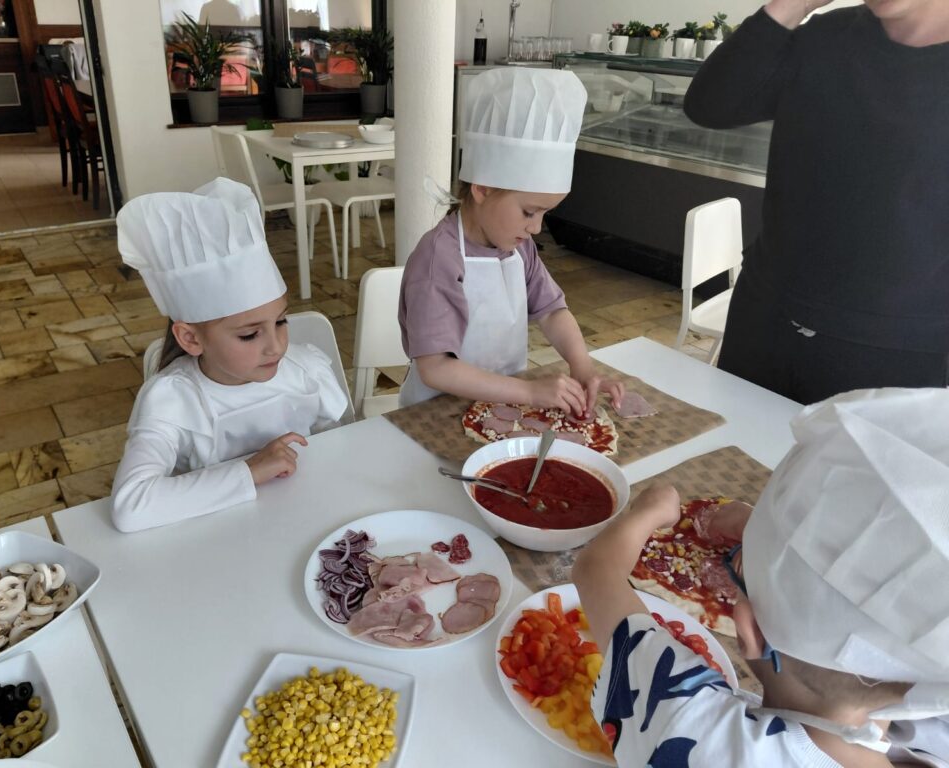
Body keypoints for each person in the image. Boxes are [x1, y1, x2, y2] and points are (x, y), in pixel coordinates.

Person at [574, 387, 949, 767]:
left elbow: (595, 571)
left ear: (749, 630)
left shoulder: (695, 726)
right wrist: (780, 537)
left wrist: (650, 511)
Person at [683, 0, 949, 404]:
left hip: (898, 348)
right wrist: (794, 4)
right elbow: (710, 105)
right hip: (765, 319)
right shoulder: (826, 36)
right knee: (736, 443)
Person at [110, 178, 348, 533]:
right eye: (250, 334)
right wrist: (250, 471)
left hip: (306, 524)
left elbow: (342, 448)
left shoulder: (306, 371)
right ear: (191, 338)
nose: (276, 346)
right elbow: (131, 506)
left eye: (281, 321)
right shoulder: (172, 399)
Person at [398, 67, 624, 417]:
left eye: (545, 214)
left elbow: (553, 311)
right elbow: (435, 368)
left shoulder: (519, 248)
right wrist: (530, 392)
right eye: (529, 211)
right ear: (483, 189)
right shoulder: (438, 258)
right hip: (436, 415)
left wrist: (582, 367)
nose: (536, 227)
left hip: (503, 408)